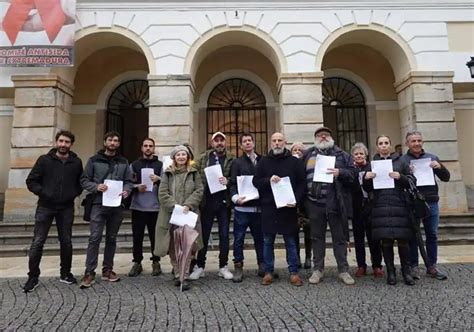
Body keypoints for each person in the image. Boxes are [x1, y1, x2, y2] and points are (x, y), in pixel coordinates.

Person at [22, 130, 83, 292]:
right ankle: (33, 277)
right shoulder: (44, 160)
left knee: (66, 241)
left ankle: (65, 273)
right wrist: (44, 193)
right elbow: (31, 181)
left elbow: (80, 183)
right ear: (56, 142)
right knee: (38, 241)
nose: (63, 144)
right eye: (61, 141)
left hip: (66, 207)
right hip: (45, 206)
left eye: (67, 142)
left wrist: (72, 193)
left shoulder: (76, 162)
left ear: (71, 144)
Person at [79, 131, 134, 288]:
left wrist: (127, 191)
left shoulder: (123, 161)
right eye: (110, 140)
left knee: (111, 238)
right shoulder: (93, 160)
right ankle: (89, 272)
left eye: (116, 140)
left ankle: (107, 269)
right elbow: (84, 180)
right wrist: (96, 187)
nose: (113, 143)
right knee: (95, 238)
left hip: (116, 206)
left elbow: (129, 181)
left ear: (118, 144)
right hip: (98, 204)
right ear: (105, 142)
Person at [302, 127, 355, 286]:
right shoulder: (307, 155)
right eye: (319, 135)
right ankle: (317, 269)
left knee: (339, 238)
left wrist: (340, 172)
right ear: (315, 138)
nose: (323, 137)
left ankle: (343, 270)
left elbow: (353, 175)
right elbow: (300, 177)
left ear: (331, 138)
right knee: (316, 238)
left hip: (335, 203)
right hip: (314, 203)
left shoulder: (342, 155)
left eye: (326, 135)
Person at [253, 132, 306, 286]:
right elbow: (256, 181)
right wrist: (268, 180)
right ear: (271, 143)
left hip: (288, 208)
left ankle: (294, 272)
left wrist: (295, 200)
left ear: (285, 142)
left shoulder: (294, 162)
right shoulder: (263, 161)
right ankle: (268, 271)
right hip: (269, 207)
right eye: (274, 140)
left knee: (290, 241)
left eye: (280, 140)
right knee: (268, 241)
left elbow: (302, 183)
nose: (277, 143)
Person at [363, 135, 416, 286]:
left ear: (390, 145)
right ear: (377, 146)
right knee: (386, 241)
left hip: (399, 204)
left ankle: (406, 272)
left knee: (402, 240)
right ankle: (391, 272)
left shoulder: (401, 161)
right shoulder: (372, 163)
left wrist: (400, 177)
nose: (384, 145)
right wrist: (367, 178)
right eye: (381, 143)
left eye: (386, 143)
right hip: (380, 205)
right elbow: (366, 188)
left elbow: (412, 181)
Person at [401, 130, 450, 280]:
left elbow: (446, 177)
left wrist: (439, 167)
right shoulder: (402, 161)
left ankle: (432, 266)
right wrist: (407, 174)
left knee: (432, 234)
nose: (416, 143)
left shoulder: (432, 158)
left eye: (419, 140)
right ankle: (413, 265)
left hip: (431, 201)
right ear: (407, 143)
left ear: (422, 142)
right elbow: (399, 182)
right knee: (413, 235)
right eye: (413, 141)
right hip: (413, 202)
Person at [154, 145, 203, 291]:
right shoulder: (167, 174)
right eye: (178, 155)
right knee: (174, 247)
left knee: (188, 246)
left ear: (187, 157)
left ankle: (185, 275)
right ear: (174, 158)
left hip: (188, 215)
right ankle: (177, 273)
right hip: (171, 216)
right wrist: (175, 206)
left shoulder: (194, 173)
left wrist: (188, 204)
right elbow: (162, 194)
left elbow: (199, 190)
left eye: (184, 154)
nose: (181, 157)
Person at [190, 132, 234, 280]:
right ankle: (200, 266)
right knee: (204, 235)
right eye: (217, 140)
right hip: (206, 202)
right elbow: (192, 171)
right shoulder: (203, 158)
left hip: (223, 202)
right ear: (212, 142)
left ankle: (223, 266)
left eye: (222, 140)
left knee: (224, 235)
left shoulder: (231, 159)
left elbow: (235, 177)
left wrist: (228, 180)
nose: (219, 143)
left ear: (226, 143)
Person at [229, 133, 264, 282]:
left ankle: (262, 264)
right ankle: (238, 266)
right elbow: (232, 183)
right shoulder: (237, 163)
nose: (248, 143)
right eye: (245, 141)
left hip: (259, 208)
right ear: (241, 146)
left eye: (250, 140)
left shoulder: (263, 161)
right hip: (242, 209)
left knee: (260, 239)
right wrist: (236, 198)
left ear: (254, 143)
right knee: (238, 239)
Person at [127, 138, 163, 277]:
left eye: (151, 146)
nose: (148, 148)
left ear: (154, 148)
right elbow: (128, 183)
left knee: (155, 237)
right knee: (137, 236)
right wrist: (136, 187)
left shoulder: (160, 165)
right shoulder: (134, 164)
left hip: (155, 207)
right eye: (146, 146)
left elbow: (168, 182)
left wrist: (158, 180)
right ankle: (137, 263)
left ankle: (156, 262)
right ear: (142, 148)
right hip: (138, 207)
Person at [350, 142, 383, 278]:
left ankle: (377, 265)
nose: (359, 156)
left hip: (371, 206)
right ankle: (361, 265)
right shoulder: (350, 169)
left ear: (366, 155)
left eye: (361, 153)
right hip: (356, 207)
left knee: (374, 238)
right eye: (356, 154)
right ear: (352, 156)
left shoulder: (372, 167)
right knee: (358, 239)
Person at [290, 142, 312, 269]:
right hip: (293, 202)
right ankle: (296, 257)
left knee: (308, 232)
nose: (297, 151)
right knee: (294, 232)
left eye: (300, 150)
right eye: (295, 149)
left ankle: (308, 257)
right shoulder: (289, 164)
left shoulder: (307, 164)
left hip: (307, 202)